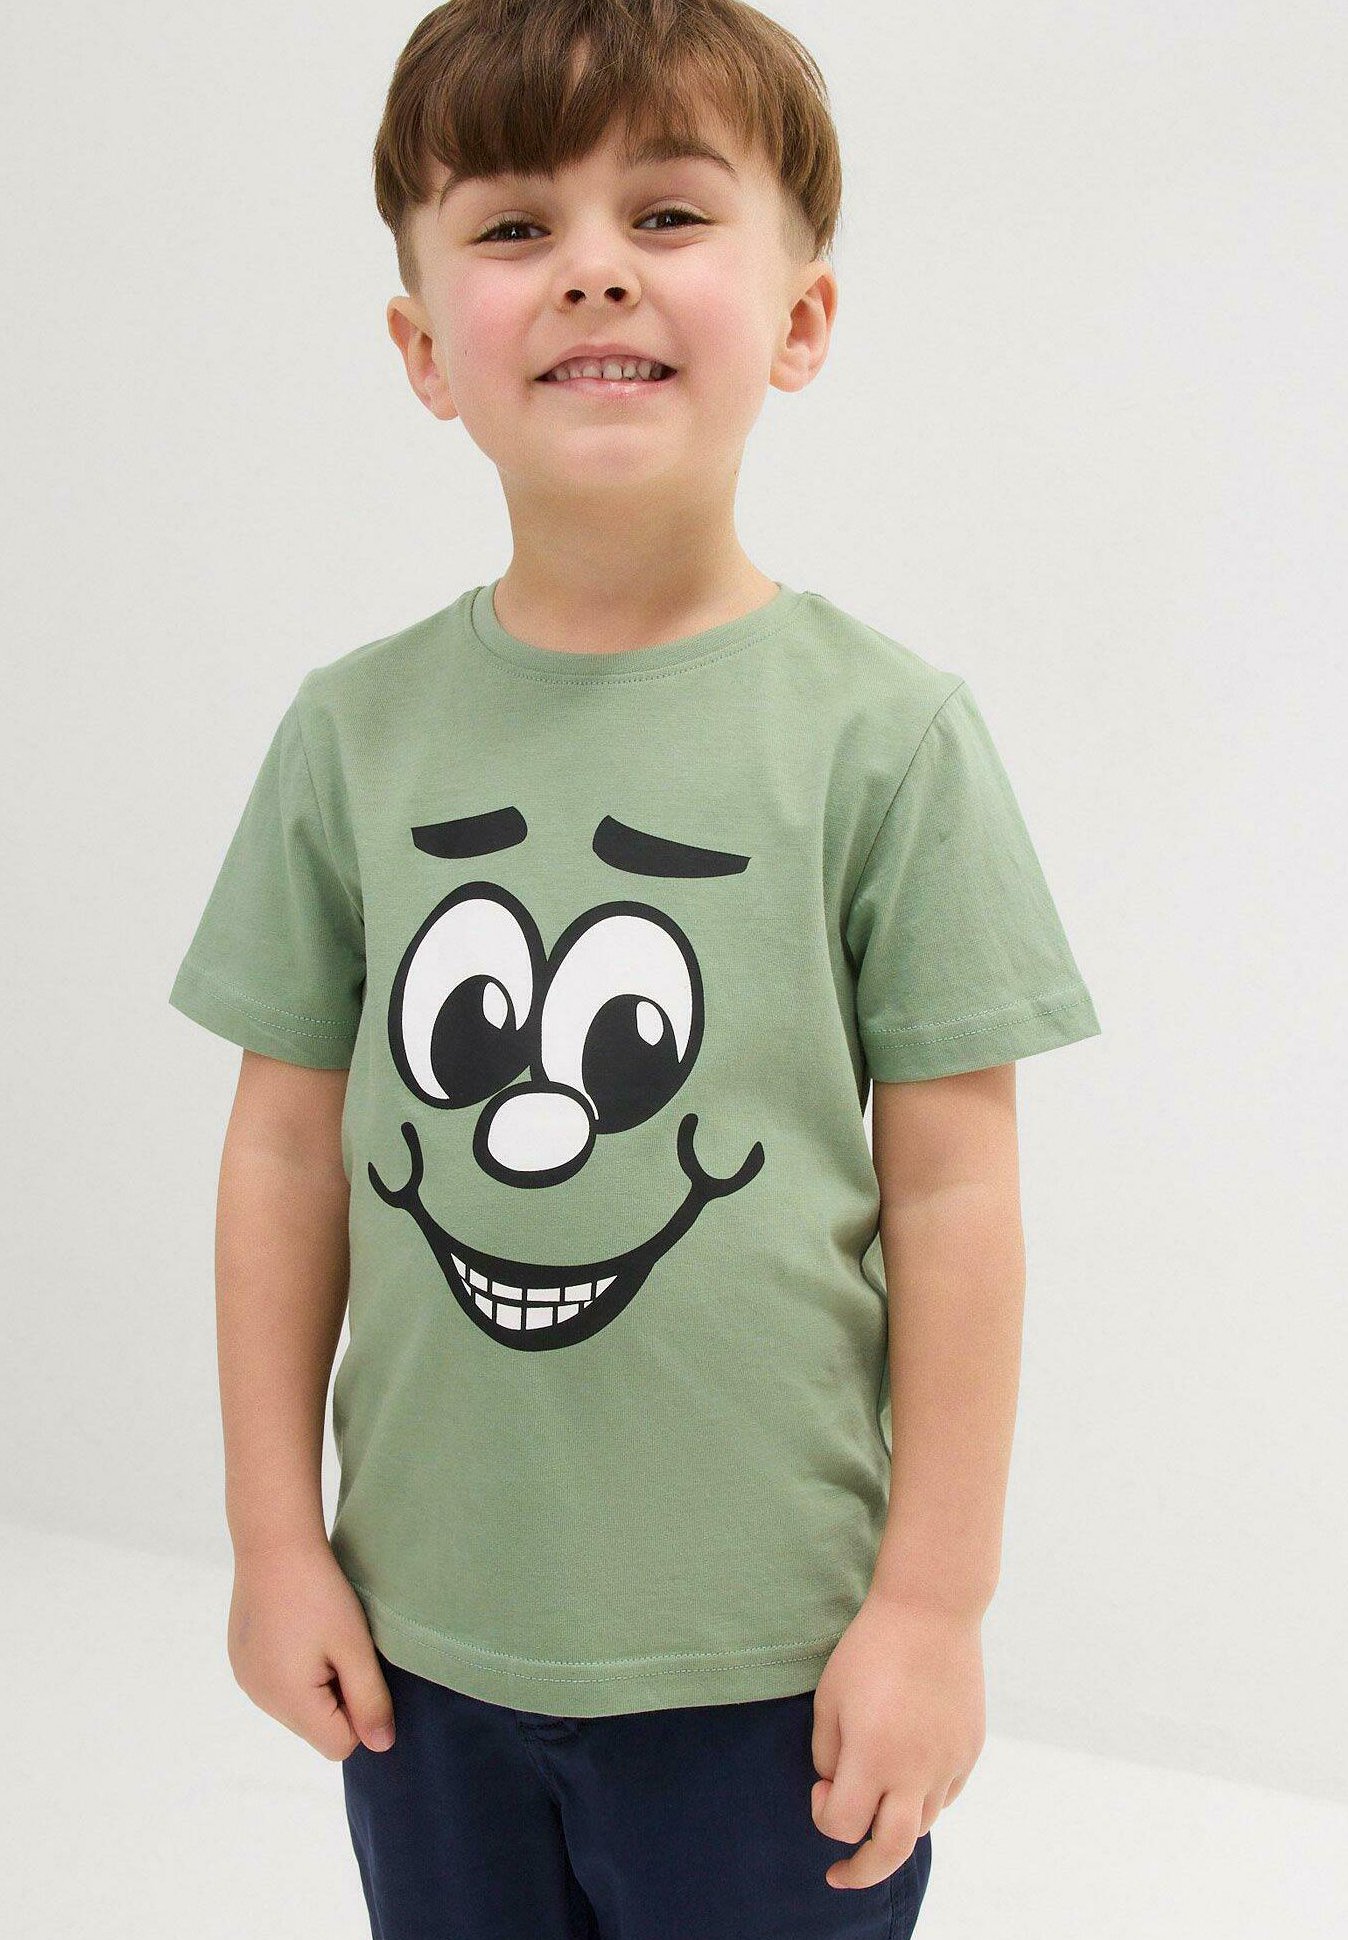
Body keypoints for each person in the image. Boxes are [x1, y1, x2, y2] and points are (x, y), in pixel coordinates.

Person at [168, 3, 1103, 1935]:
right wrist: (274, 1540)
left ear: (801, 318)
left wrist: (933, 1607)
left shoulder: (887, 742)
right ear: (425, 350)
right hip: (421, 1654)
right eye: (516, 226)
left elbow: (954, 1196)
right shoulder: (352, 736)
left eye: (668, 213)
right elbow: (282, 1156)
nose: (593, 264)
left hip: (775, 1674)